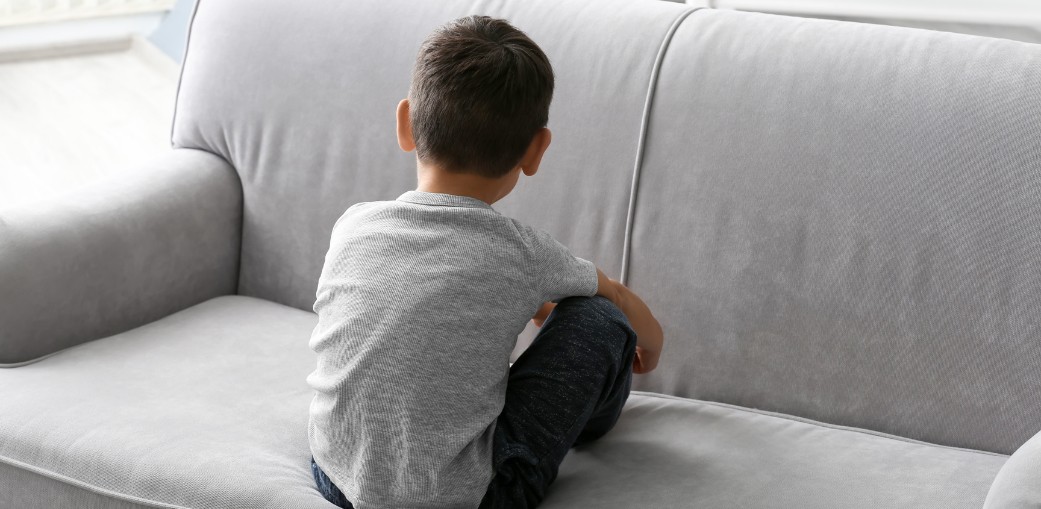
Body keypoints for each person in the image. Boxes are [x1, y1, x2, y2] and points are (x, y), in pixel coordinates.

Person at [306, 15, 664, 509]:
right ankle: (593, 423)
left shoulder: (354, 225)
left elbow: (430, 292)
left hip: (336, 475)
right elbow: (618, 297)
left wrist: (534, 303)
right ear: (537, 150)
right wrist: (650, 342)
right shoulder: (519, 250)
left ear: (406, 124)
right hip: (471, 498)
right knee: (602, 319)